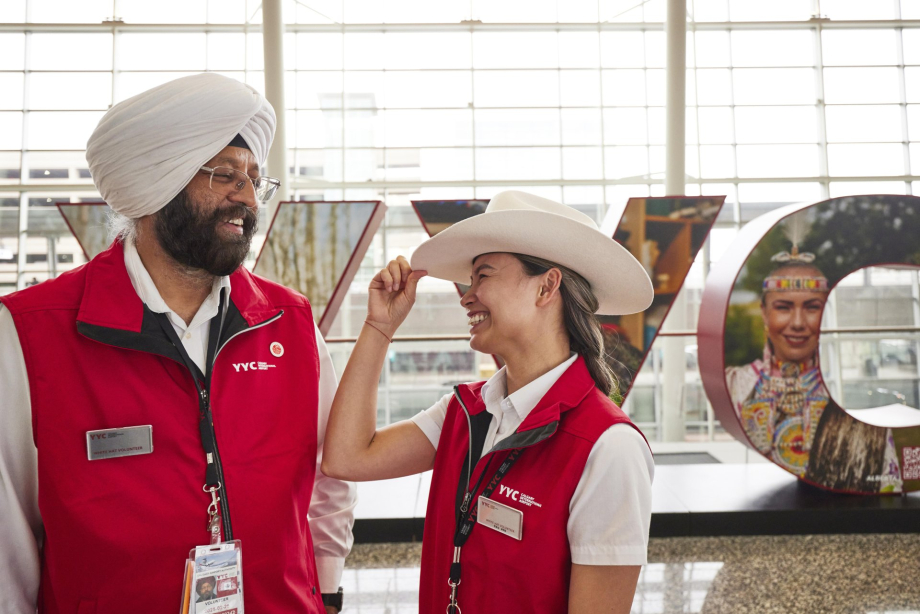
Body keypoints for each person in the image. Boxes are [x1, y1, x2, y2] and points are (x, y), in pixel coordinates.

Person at [0, 73, 355, 614]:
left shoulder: (288, 322)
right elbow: (9, 531)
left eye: (254, 179)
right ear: (155, 183)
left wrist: (325, 588)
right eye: (225, 174)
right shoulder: (30, 333)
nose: (247, 197)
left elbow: (329, 475)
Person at [323, 191, 656, 613]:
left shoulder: (608, 447)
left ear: (547, 286)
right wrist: (379, 326)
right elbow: (347, 458)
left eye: (483, 276)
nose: (467, 295)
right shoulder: (465, 412)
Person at [726, 253, 832, 476]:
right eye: (783, 308)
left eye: (812, 308)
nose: (798, 323)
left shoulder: (841, 386)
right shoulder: (734, 384)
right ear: (764, 313)